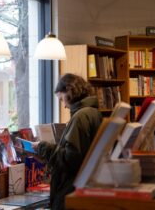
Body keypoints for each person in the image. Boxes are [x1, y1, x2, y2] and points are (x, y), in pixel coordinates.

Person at [33, 73, 102, 210]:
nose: (64, 105)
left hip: (71, 188)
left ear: (70, 91)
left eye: (61, 99)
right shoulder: (94, 112)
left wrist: (43, 147)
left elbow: (71, 158)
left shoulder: (80, 116)